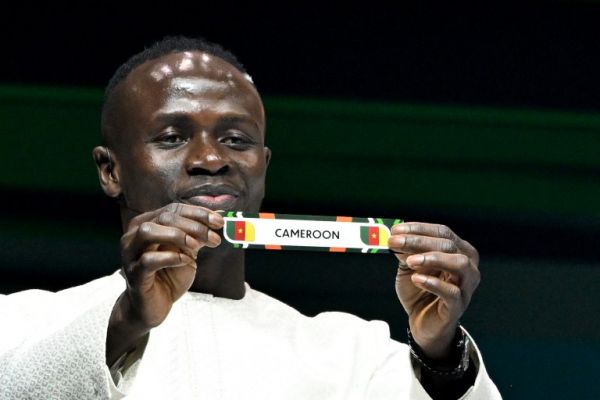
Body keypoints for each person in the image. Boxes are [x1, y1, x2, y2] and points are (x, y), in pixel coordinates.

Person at [0, 36, 501, 399]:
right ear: (111, 171)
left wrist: (441, 357)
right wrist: (126, 322)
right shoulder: (20, 323)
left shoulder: (353, 355)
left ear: (262, 167)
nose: (211, 158)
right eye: (172, 137)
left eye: (236, 140)